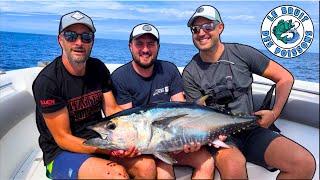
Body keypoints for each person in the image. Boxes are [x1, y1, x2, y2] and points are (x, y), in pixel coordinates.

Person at [182, 5, 316, 179]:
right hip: (219, 138)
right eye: (196, 29)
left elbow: (285, 78)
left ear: (220, 27)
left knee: (303, 164)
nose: (201, 33)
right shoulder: (190, 73)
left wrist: (274, 114)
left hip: (251, 129)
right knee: (234, 168)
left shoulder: (242, 53)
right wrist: (203, 137)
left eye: (208, 26)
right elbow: (196, 117)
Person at [32, 10, 139, 179]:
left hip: (99, 140)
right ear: (60, 40)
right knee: (116, 175)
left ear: (92, 41)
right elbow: (63, 138)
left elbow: (112, 110)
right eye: (71, 36)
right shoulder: (48, 82)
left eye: (86, 37)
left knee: (146, 167)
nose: (79, 42)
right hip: (61, 153)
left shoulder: (98, 68)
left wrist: (132, 138)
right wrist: (108, 148)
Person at [111, 23, 215, 179]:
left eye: (151, 44)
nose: (145, 49)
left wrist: (190, 139)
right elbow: (126, 123)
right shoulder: (120, 78)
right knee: (163, 173)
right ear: (130, 46)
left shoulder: (169, 70)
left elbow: (183, 113)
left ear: (158, 47)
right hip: (141, 147)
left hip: (170, 141)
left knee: (207, 161)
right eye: (139, 43)